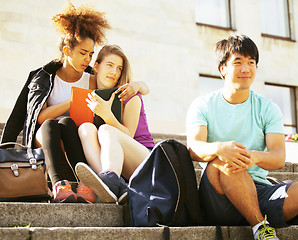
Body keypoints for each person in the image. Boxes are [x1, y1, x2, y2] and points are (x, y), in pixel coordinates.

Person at [0, 2, 149, 204]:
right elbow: (39, 117)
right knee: (53, 124)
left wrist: (139, 84)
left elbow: (114, 81)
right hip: (45, 137)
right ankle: (59, 183)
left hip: (74, 136)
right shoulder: (44, 78)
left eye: (90, 54)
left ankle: (85, 183)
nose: (87, 59)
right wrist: (72, 101)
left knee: (67, 123)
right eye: (82, 53)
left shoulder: (91, 78)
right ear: (66, 51)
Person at [186, 34, 298, 240]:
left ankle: (257, 215)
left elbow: (278, 157)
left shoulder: (268, 108)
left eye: (251, 62)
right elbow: (194, 148)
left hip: (258, 191)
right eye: (238, 62)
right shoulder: (202, 105)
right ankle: (260, 227)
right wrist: (220, 149)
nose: (246, 69)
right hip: (217, 196)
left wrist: (254, 157)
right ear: (223, 68)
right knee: (228, 158)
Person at [75, 45, 155, 205]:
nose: (114, 72)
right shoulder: (89, 97)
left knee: (106, 130)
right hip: (119, 165)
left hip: (145, 159)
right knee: (85, 128)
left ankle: (110, 179)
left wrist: (107, 115)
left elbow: (129, 135)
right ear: (96, 66)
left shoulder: (131, 95)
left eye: (119, 68)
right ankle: (112, 184)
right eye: (109, 65)